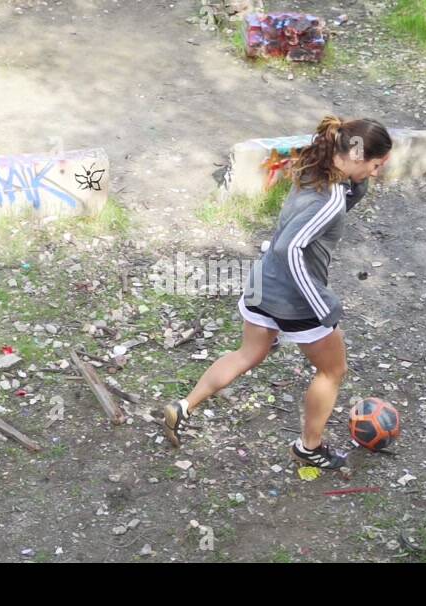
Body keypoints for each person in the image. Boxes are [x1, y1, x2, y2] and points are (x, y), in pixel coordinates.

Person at [162, 115, 393, 469]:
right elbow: (291, 249)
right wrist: (321, 302)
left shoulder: (313, 170)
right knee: (333, 371)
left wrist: (357, 185)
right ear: (358, 156)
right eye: (375, 166)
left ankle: (184, 406)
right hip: (294, 297)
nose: (375, 173)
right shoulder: (330, 196)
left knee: (248, 353)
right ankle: (309, 447)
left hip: (261, 282)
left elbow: (319, 219)